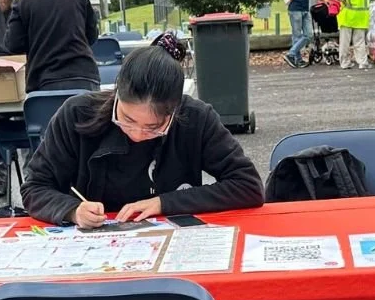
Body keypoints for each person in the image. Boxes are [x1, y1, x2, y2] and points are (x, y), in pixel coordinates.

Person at [21, 35, 264, 226]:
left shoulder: (196, 119)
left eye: (153, 127)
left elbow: (248, 186)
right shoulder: (76, 114)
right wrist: (71, 210)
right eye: (126, 119)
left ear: (174, 111)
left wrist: (164, 203)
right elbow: (35, 187)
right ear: (117, 94)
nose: (136, 134)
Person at [5, 0, 100, 92]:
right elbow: (92, 35)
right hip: (85, 77)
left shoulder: (24, 0)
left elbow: (13, 44)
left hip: (45, 81)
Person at [335, 0, 370, 70]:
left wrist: (344, 2)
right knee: (359, 42)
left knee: (345, 42)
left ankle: (345, 63)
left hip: (347, 18)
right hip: (361, 17)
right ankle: (362, 62)